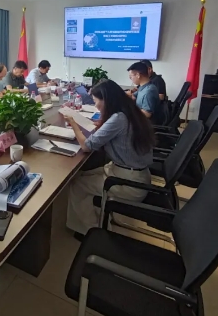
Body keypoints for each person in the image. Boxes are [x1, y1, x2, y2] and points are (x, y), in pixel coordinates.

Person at [64, 80, 155, 236]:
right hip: (133, 173)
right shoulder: (128, 111)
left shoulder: (118, 119)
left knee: (78, 185)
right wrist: (102, 125)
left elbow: (86, 146)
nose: (96, 105)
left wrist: (73, 123)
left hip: (129, 183)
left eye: (96, 101)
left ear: (106, 99)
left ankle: (90, 231)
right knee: (83, 175)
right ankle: (97, 216)